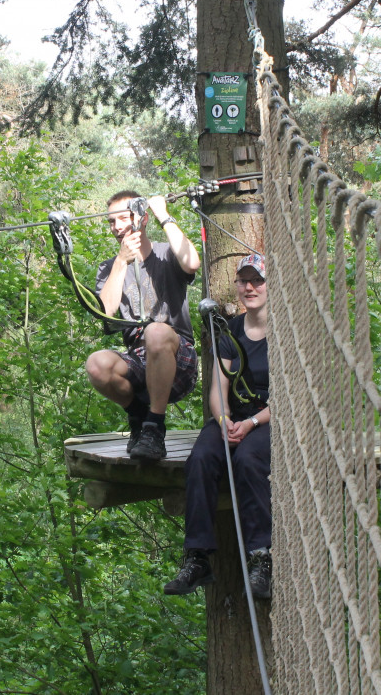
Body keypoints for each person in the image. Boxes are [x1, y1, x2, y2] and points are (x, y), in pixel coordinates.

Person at [164, 252, 272, 599]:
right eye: (244, 281)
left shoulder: (287, 332)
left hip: (270, 419)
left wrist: (252, 423)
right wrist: (225, 421)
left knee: (248, 460)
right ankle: (198, 557)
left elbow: (289, 396)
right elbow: (217, 390)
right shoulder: (231, 332)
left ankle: (261, 557)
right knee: (202, 457)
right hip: (234, 417)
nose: (250, 287)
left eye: (257, 280)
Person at [85, 190, 201, 462]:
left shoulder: (165, 254)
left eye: (122, 219)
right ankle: (139, 416)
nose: (116, 228)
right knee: (96, 364)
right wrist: (122, 262)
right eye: (111, 222)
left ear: (141, 219)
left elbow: (192, 262)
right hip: (140, 360)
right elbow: (106, 312)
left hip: (178, 358)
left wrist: (164, 215)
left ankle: (154, 426)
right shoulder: (109, 268)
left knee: (156, 331)